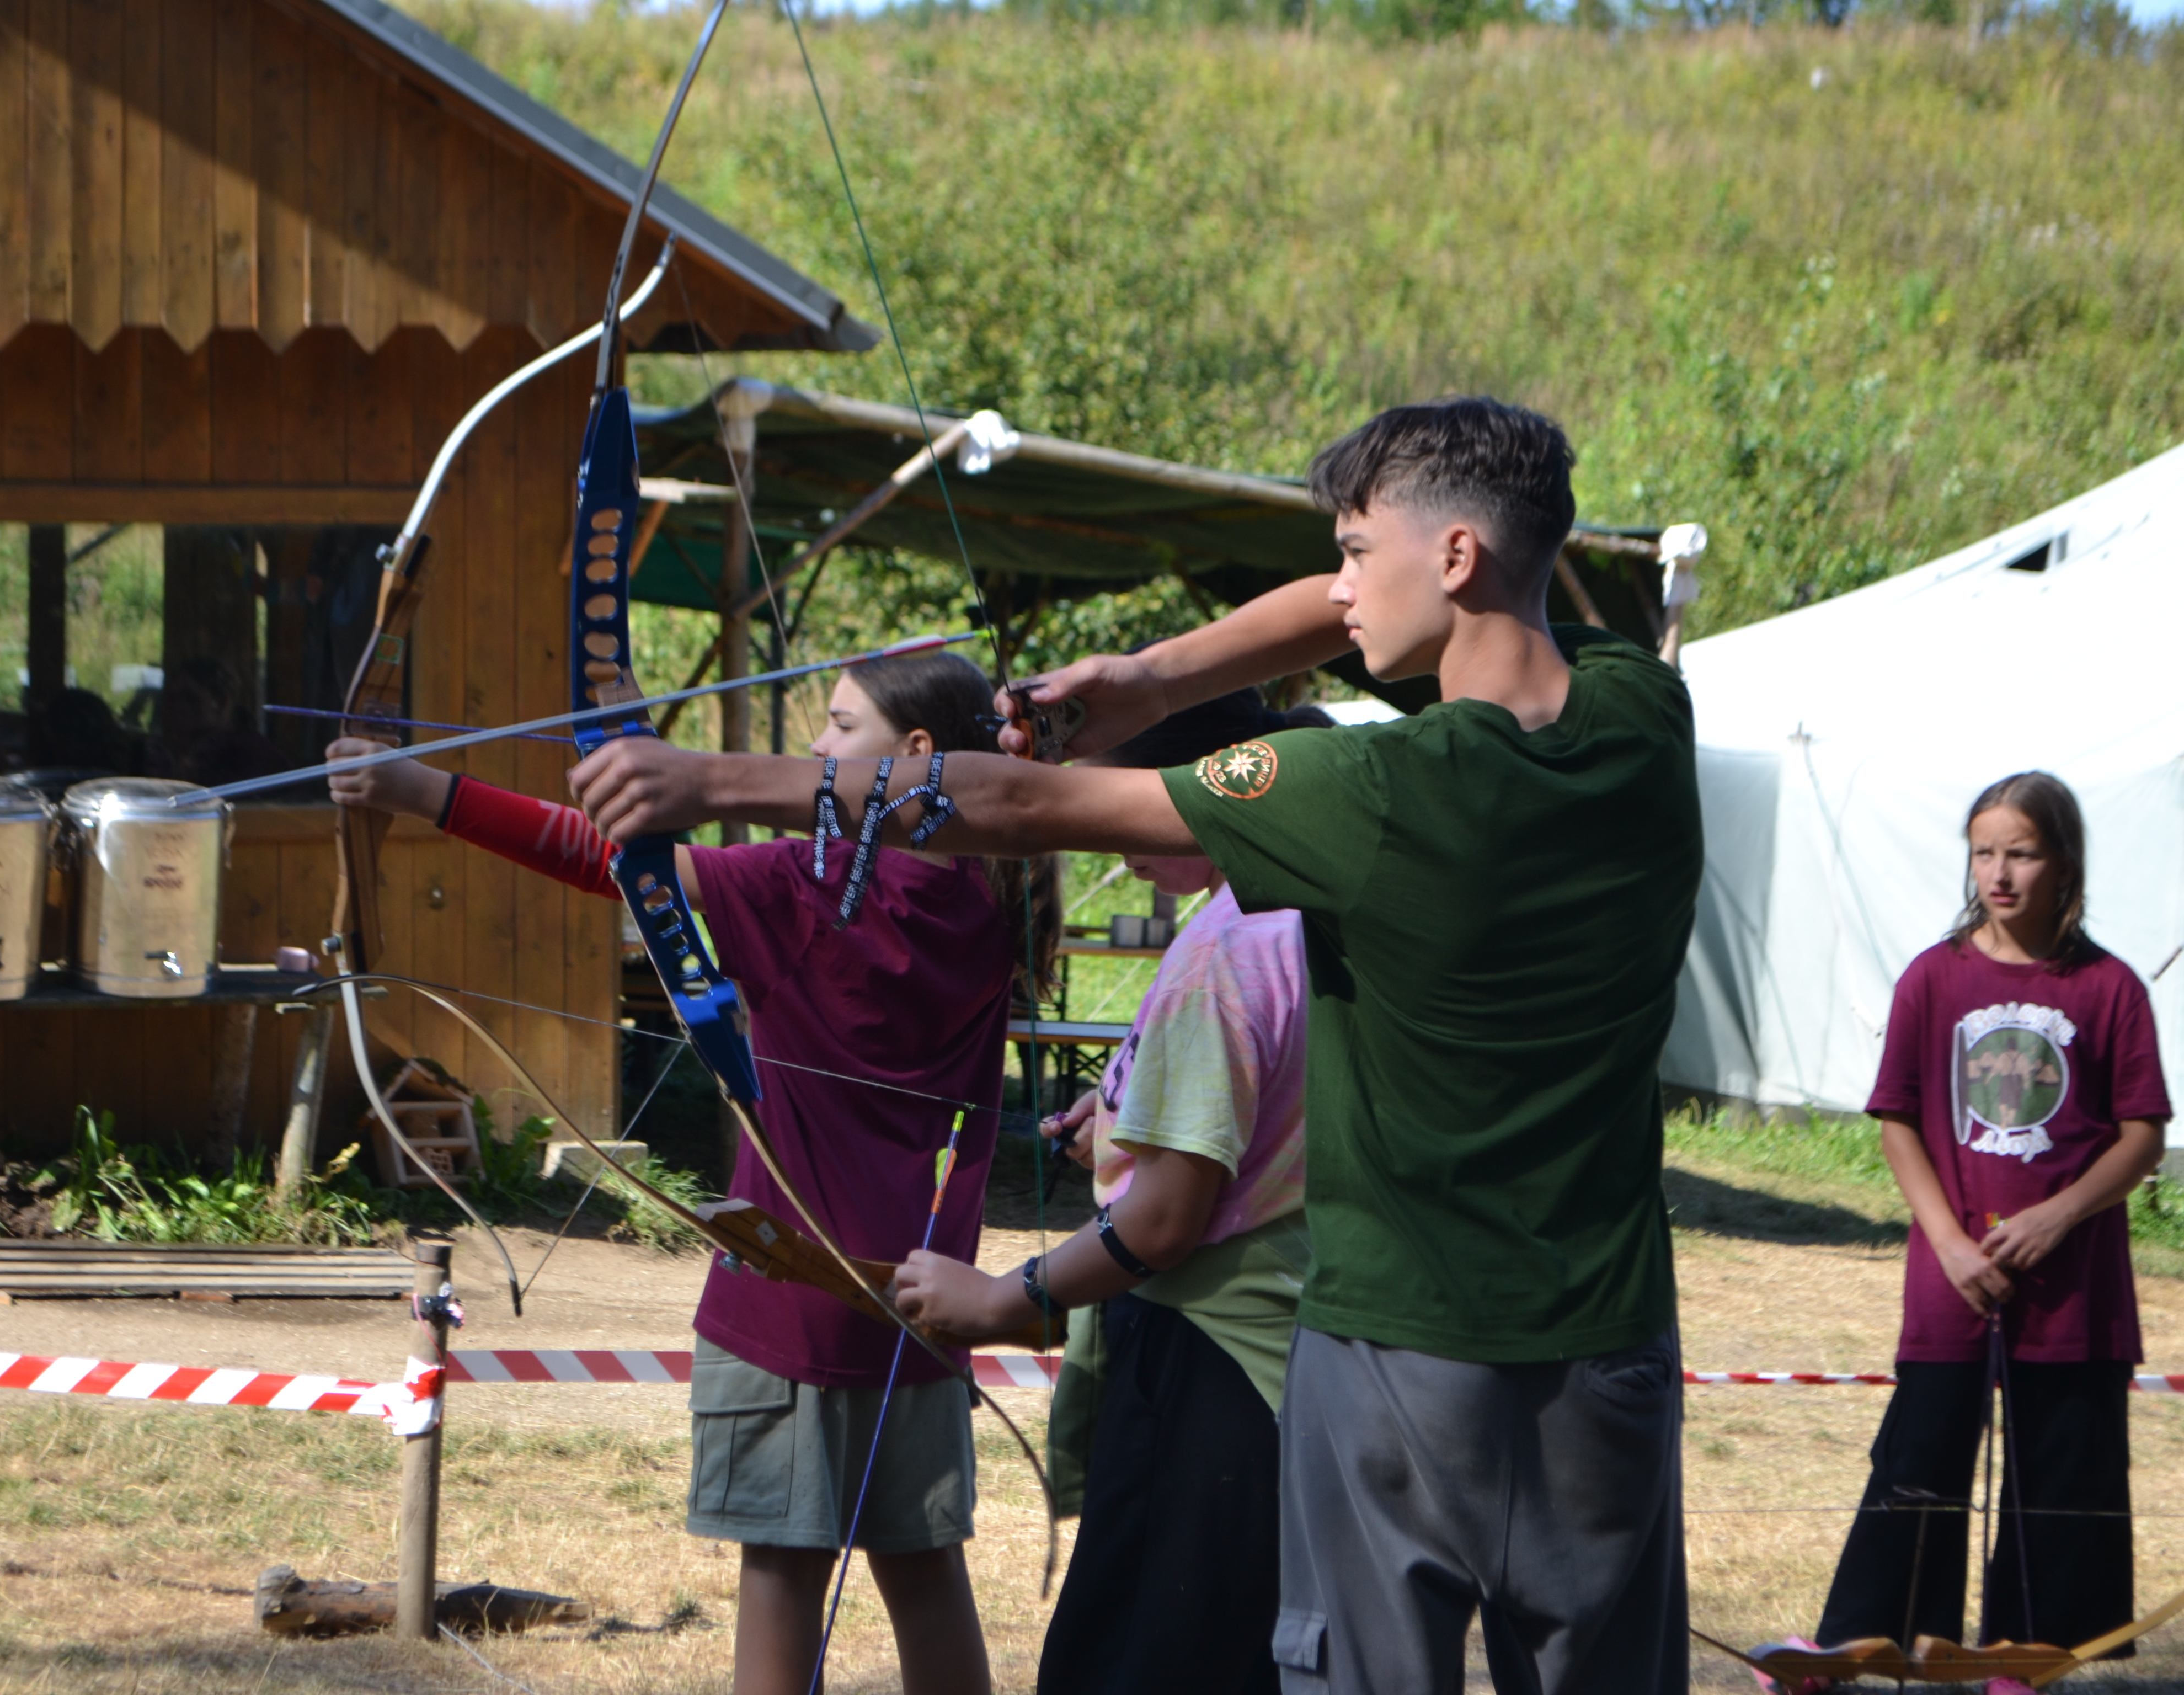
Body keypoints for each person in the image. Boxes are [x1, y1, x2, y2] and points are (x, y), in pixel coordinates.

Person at [569, 396, 1705, 1695]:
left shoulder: (1378, 794)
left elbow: (1027, 802)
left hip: (1401, 1358)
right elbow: (1357, 614)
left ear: (1452, 559)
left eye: (1350, 548)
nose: (1335, 589)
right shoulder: (1641, 720)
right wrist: (1150, 683)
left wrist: (713, 784)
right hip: (1606, 1353)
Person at [330, 648, 1048, 1695]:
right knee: (925, 1567)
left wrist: (417, 788)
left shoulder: (809, 889)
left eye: (842, 729)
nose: (816, 745)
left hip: (791, 1298)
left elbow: (603, 856)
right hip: (925, 1295)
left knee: (784, 1569)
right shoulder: (990, 906)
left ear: (919, 757)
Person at [895, 686, 1320, 1695]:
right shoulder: (1301, 916)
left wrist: (1009, 1298)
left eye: (1113, 804)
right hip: (1296, 1363)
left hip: (1209, 1369)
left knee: (1150, 1661)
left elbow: (1168, 1219)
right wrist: (1133, 1121)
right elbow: (1250, 1131)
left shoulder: (1227, 949)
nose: (1103, 834)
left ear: (1195, 791)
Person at [1795, 772, 2167, 1665]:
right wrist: (1951, 1243)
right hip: (1953, 1275)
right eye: (1985, 852)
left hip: (2073, 1285)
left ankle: (2034, 1657)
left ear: (2063, 860)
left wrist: (2056, 1219)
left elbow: (2142, 1136)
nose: (2000, 874)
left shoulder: (2110, 988)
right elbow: (1899, 1122)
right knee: (1917, 1463)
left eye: (2023, 853)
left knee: (2064, 1477)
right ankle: (1867, 1644)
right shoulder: (1935, 977)